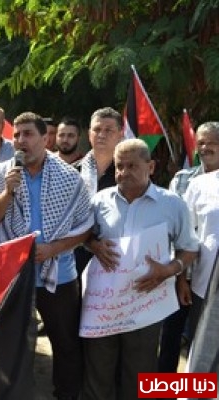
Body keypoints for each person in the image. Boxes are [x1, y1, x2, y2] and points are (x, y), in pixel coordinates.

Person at [0, 112, 93, 400]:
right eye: (16, 135)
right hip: (13, 275)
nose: (20, 140)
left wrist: (53, 249)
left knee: (65, 343)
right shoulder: (1, 174)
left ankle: (66, 394)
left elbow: (86, 228)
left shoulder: (70, 177)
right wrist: (7, 192)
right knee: (9, 342)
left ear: (45, 138)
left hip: (59, 275)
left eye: (28, 134)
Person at [82, 139, 198, 400]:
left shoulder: (172, 204)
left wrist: (170, 270)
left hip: (146, 305)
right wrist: (95, 245)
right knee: (98, 370)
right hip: (104, 306)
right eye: (119, 166)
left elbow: (190, 248)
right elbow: (85, 236)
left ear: (151, 167)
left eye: (132, 166)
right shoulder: (100, 200)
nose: (124, 172)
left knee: (139, 372)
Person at [158, 121, 219, 373]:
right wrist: (181, 277)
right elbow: (179, 233)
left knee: (205, 347)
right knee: (172, 339)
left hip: (208, 282)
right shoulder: (186, 180)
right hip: (186, 275)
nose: (205, 147)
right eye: (201, 142)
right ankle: (166, 389)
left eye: (212, 142)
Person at [73, 107, 125, 277]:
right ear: (89, 134)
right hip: (76, 256)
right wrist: (91, 243)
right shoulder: (71, 173)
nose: (101, 135)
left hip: (117, 256)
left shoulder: (129, 174)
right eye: (97, 129)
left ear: (120, 134)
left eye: (108, 130)